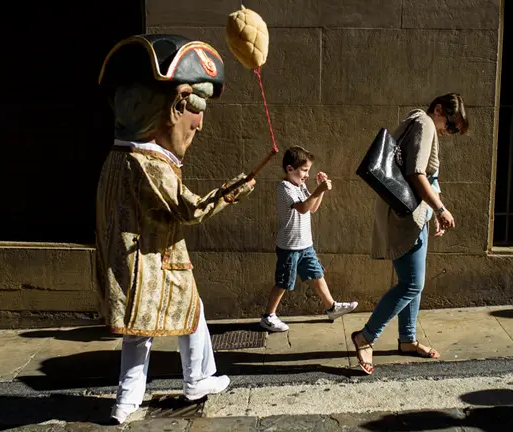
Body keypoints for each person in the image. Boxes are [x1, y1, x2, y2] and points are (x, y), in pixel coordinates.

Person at [94, 34, 256, 424]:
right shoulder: (150, 163)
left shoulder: (118, 156)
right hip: (154, 265)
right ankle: (150, 392)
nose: (198, 126)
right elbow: (191, 210)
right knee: (146, 331)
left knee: (180, 318)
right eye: (194, 113)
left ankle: (147, 394)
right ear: (172, 107)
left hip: (142, 262)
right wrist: (233, 190)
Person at [351, 93, 469, 375]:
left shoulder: (422, 124)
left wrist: (433, 211)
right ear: (439, 109)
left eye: (454, 130)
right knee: (411, 284)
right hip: (407, 217)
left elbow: (428, 176)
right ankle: (365, 337)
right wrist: (440, 209)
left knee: (413, 282)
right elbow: (417, 174)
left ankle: (407, 339)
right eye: (451, 125)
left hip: (416, 215)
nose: (449, 132)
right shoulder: (425, 123)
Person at [260, 146, 359, 332]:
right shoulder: (284, 188)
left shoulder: (301, 186)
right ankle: (268, 316)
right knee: (284, 282)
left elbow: (312, 208)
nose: (307, 174)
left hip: (306, 244)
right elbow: (303, 208)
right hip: (290, 246)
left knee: (316, 274)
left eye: (308, 170)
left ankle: (331, 307)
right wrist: (318, 189)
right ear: (290, 169)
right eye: (304, 170)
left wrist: (320, 190)